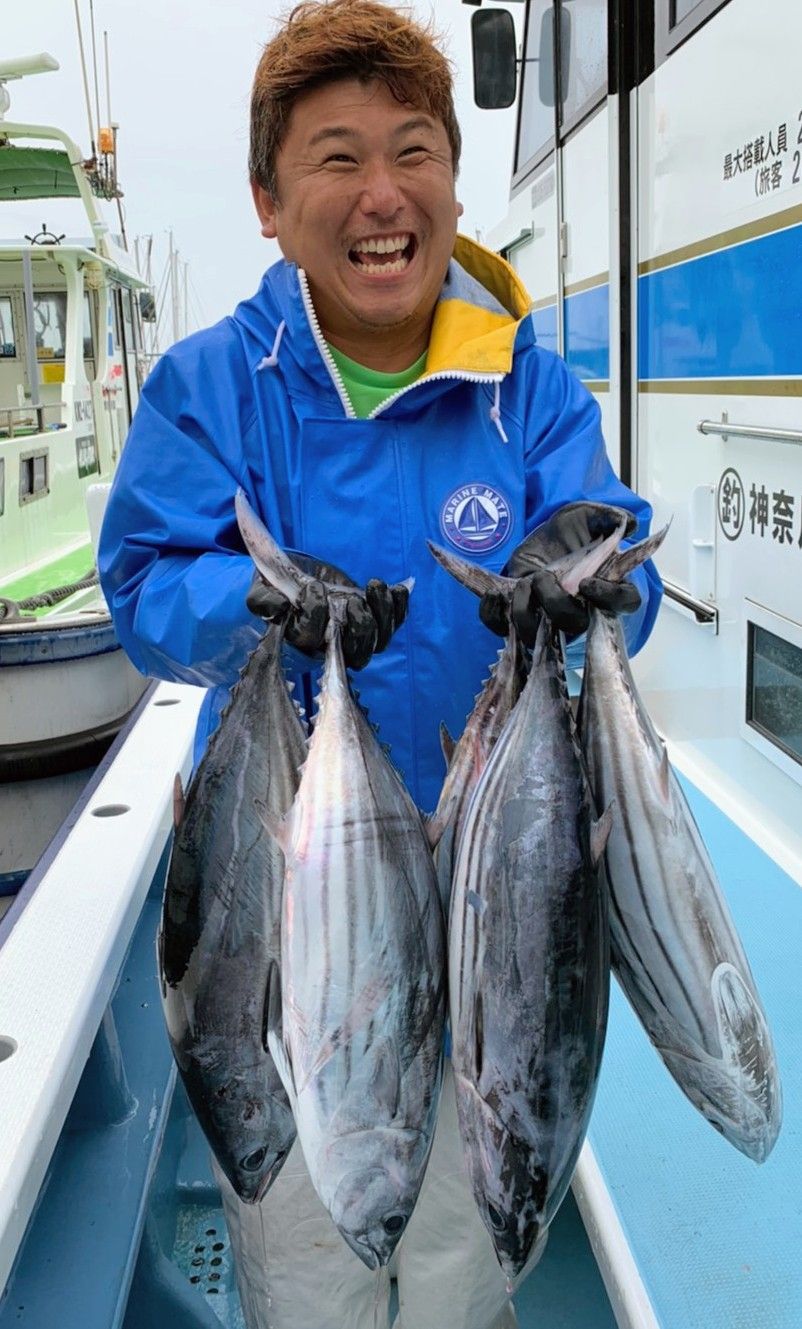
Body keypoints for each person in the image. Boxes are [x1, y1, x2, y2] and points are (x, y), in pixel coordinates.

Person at [98, 2, 663, 1326]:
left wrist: (590, 573)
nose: (382, 193)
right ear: (266, 201)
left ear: (454, 186)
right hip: (300, 919)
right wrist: (254, 598)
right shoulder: (212, 386)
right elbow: (145, 587)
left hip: (493, 903)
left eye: (414, 151)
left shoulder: (526, 386)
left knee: (465, 1254)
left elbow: (618, 561)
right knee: (312, 1261)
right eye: (336, 158)